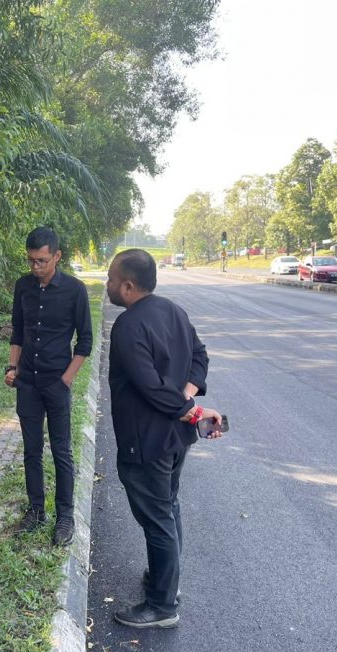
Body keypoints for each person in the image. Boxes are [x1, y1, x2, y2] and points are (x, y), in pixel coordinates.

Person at [106, 248, 222, 629]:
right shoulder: (173, 310)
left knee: (157, 518)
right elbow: (200, 357)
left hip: (148, 440)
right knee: (168, 508)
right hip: (176, 438)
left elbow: (151, 388)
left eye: (110, 280)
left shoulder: (128, 326)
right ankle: (165, 583)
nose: (107, 286)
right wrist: (188, 395)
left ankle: (162, 605)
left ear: (127, 285)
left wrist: (190, 407)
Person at [6, 226, 92, 546]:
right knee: (31, 450)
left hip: (56, 382)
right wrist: (12, 367)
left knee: (61, 450)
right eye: (31, 261)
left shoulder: (75, 290)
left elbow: (85, 341)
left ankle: (65, 516)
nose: (35, 267)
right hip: (27, 381)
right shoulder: (23, 287)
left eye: (42, 260)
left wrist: (66, 379)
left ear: (57, 256)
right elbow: (18, 333)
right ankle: (36, 510)